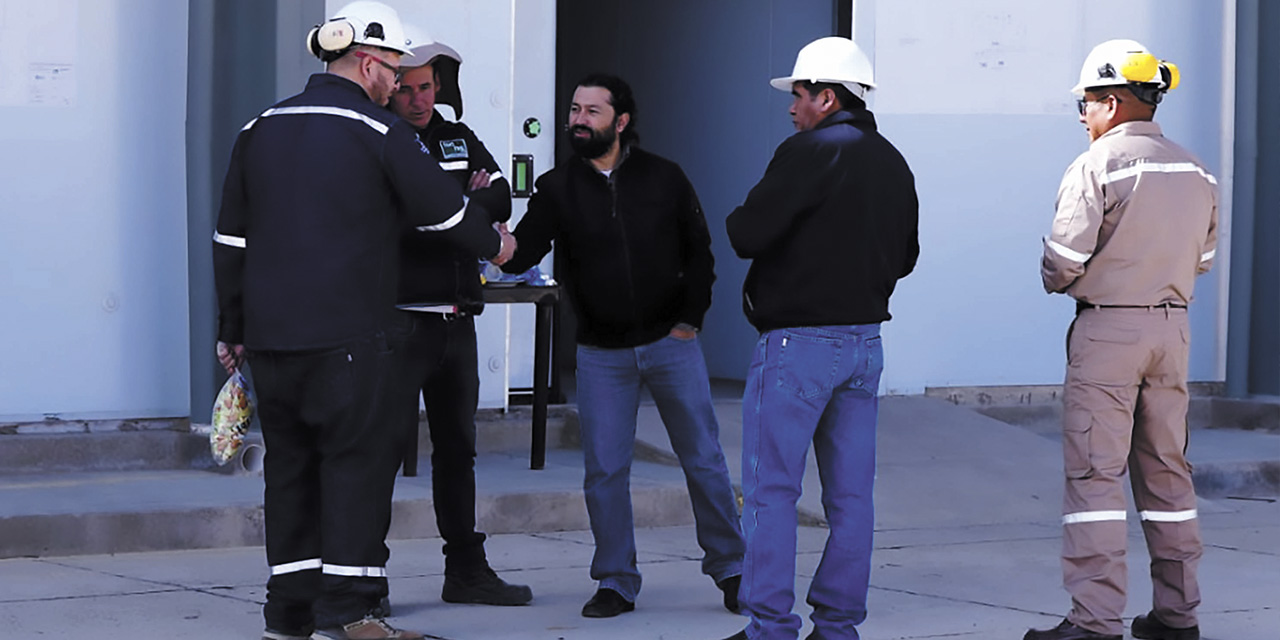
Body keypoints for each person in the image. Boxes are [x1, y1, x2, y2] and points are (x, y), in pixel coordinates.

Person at [212, 3, 514, 639]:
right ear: (370, 63)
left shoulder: (260, 126)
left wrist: (231, 328)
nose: (397, 83)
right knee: (356, 466)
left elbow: (230, 239)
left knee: (289, 470)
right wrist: (498, 245)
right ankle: (350, 616)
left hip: (270, 341)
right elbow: (445, 212)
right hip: (351, 339)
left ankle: (289, 612)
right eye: (394, 69)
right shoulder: (377, 132)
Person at [501, 73, 745, 619]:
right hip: (601, 354)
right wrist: (483, 233)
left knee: (703, 460)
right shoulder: (556, 187)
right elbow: (521, 254)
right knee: (604, 471)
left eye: (591, 111)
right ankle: (616, 579)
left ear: (621, 121)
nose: (578, 120)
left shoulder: (665, 177)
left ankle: (732, 569)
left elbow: (701, 253)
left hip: (671, 343)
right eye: (574, 110)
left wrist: (691, 318)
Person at [722, 37, 918, 640]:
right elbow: (906, 257)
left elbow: (744, 232)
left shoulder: (808, 152)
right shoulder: (892, 160)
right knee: (852, 499)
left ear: (827, 97)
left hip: (799, 346)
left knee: (772, 492)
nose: (791, 107)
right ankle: (837, 628)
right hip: (865, 345)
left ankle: (770, 629)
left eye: (800, 95)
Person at [1026, 39, 1217, 640]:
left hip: (1109, 328)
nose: (1082, 117)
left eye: (1084, 105)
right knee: (1168, 474)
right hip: (1172, 328)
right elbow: (1203, 260)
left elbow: (1060, 263)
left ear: (1110, 102)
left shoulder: (1097, 165)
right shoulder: (1195, 169)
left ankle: (1094, 622)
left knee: (1095, 478)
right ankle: (1176, 616)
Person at [384, 26, 531, 607]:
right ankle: (366, 576)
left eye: (427, 88)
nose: (420, 100)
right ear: (390, 92)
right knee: (381, 452)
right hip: (399, 324)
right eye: (408, 90)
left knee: (458, 451)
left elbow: (501, 199)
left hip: (457, 322)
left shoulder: (457, 136)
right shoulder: (384, 140)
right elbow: (402, 221)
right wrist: (461, 211)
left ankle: (465, 571)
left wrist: (454, 209)